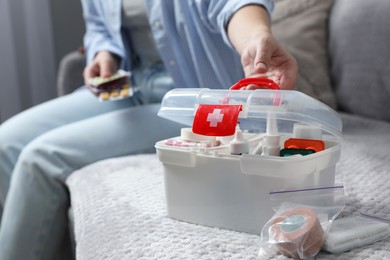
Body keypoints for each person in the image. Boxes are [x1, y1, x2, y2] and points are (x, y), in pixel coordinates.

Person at [0, 0, 297, 259]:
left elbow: (233, 4)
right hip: (132, 85)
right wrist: (104, 55)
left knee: (39, 159)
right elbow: (99, 26)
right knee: (6, 144)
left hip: (198, 104)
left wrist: (256, 37)